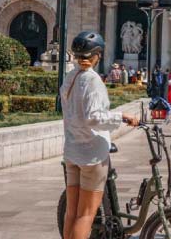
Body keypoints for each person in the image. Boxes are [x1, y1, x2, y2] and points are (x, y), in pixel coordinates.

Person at [60, 31, 139, 239]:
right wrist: (122, 116)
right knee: (86, 215)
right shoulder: (92, 80)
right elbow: (94, 117)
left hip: (72, 150)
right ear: (96, 55)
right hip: (91, 153)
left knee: (72, 213)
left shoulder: (71, 76)